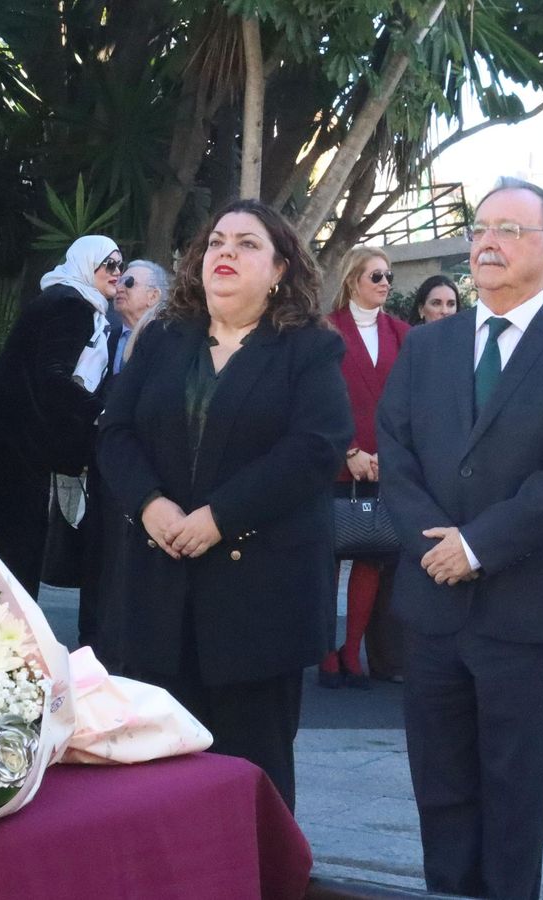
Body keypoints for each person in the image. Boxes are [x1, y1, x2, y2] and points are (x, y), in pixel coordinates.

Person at [378, 177, 543, 898]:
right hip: (432, 610)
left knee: (515, 799)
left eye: (509, 230)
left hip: (524, 612)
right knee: (441, 791)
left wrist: (475, 546)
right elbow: (397, 455)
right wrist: (433, 549)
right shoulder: (427, 347)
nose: (487, 242)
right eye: (481, 228)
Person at [98, 199, 353, 811]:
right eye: (216, 242)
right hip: (158, 594)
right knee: (157, 780)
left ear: (280, 269)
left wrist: (219, 517)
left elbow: (316, 449)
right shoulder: (162, 337)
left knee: (248, 775)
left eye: (246, 244)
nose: (226, 253)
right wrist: (150, 504)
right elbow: (116, 432)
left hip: (258, 598)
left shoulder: (309, 348)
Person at [0, 235, 120, 597]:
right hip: (15, 443)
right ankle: (9, 637)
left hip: (8, 437)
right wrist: (101, 411)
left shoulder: (63, 298)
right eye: (109, 265)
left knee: (1, 545)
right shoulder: (72, 304)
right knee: (14, 547)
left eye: (120, 265)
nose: (117, 273)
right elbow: (53, 375)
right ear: (86, 265)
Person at [320, 246, 410, 690]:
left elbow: (408, 402)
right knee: (328, 558)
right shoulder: (325, 330)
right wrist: (348, 451)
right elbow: (317, 399)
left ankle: (352, 652)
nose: (385, 283)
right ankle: (324, 653)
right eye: (376, 275)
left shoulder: (401, 332)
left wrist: (385, 457)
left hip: (383, 463)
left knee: (372, 555)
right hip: (334, 459)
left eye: (388, 276)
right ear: (353, 279)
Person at [82, 258, 170, 664]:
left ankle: (120, 649)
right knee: (99, 557)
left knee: (124, 562)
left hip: (141, 474)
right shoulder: (108, 332)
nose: (120, 284)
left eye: (130, 281)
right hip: (103, 468)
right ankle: (93, 643)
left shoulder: (166, 337)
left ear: (154, 295)